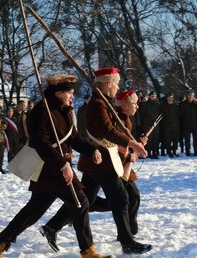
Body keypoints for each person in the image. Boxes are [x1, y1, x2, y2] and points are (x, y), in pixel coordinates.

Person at [0, 74, 107, 258]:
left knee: (34, 210)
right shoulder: (40, 111)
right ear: (58, 93)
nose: (72, 96)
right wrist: (62, 165)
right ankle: (88, 251)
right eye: (69, 93)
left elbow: (72, 137)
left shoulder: (65, 110)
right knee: (80, 201)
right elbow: (41, 143)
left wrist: (92, 150)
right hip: (49, 168)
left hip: (57, 167)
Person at [50, 67, 152, 255]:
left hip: (98, 161)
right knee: (121, 197)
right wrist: (132, 144)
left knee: (86, 199)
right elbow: (107, 131)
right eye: (116, 83)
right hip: (101, 161)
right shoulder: (97, 104)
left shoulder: (104, 102)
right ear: (108, 84)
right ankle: (127, 240)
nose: (118, 87)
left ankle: (52, 226)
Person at [179, 89, 197, 156]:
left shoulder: (196, 104)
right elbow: (180, 115)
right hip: (186, 125)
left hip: (195, 125)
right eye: (189, 95)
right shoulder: (183, 104)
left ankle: (195, 151)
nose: (191, 96)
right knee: (187, 139)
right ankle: (187, 151)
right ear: (187, 96)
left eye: (192, 95)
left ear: (194, 96)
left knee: (195, 139)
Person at [140, 91, 161, 158]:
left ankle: (155, 152)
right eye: (152, 96)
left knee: (155, 139)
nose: (153, 97)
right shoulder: (145, 104)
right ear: (149, 96)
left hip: (156, 124)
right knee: (148, 139)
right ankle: (148, 152)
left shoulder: (158, 104)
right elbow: (142, 114)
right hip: (147, 124)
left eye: (154, 96)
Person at [160, 93, 180, 157]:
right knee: (168, 140)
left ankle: (174, 151)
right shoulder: (163, 106)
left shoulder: (175, 106)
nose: (170, 99)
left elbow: (179, 115)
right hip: (167, 125)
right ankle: (169, 152)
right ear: (167, 98)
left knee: (175, 139)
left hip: (175, 125)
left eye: (171, 98)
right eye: (169, 98)